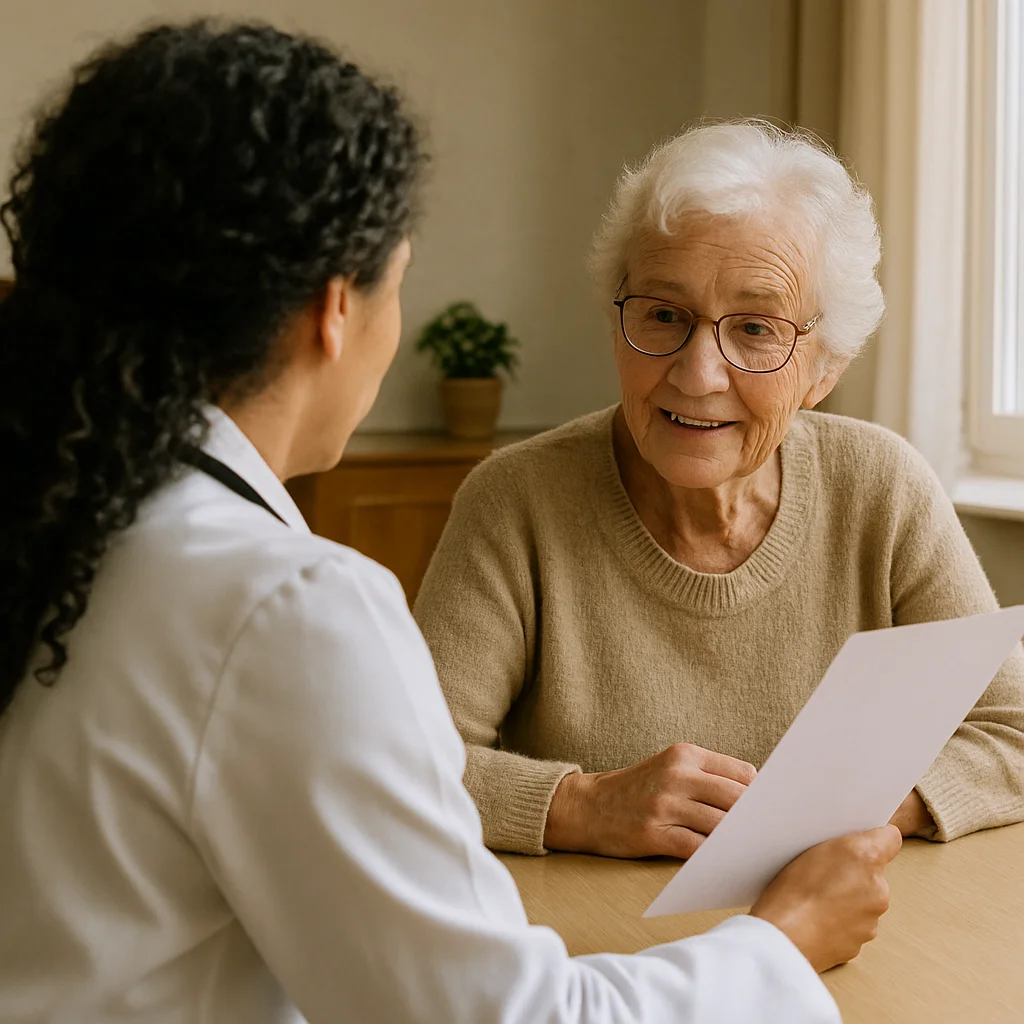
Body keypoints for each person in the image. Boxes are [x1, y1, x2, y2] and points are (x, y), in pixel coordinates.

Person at [0, 23, 900, 1024]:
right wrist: (778, 944)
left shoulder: (65, 515)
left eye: (755, 328)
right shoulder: (283, 606)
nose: (699, 368)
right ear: (336, 309)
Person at [414, 121, 1024, 860]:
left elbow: (1012, 731)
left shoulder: (882, 489)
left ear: (824, 369)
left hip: (842, 932)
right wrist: (583, 806)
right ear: (618, 324)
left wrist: (864, 801)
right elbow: (403, 771)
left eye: (756, 329)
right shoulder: (516, 501)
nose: (698, 373)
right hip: (604, 955)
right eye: (664, 315)